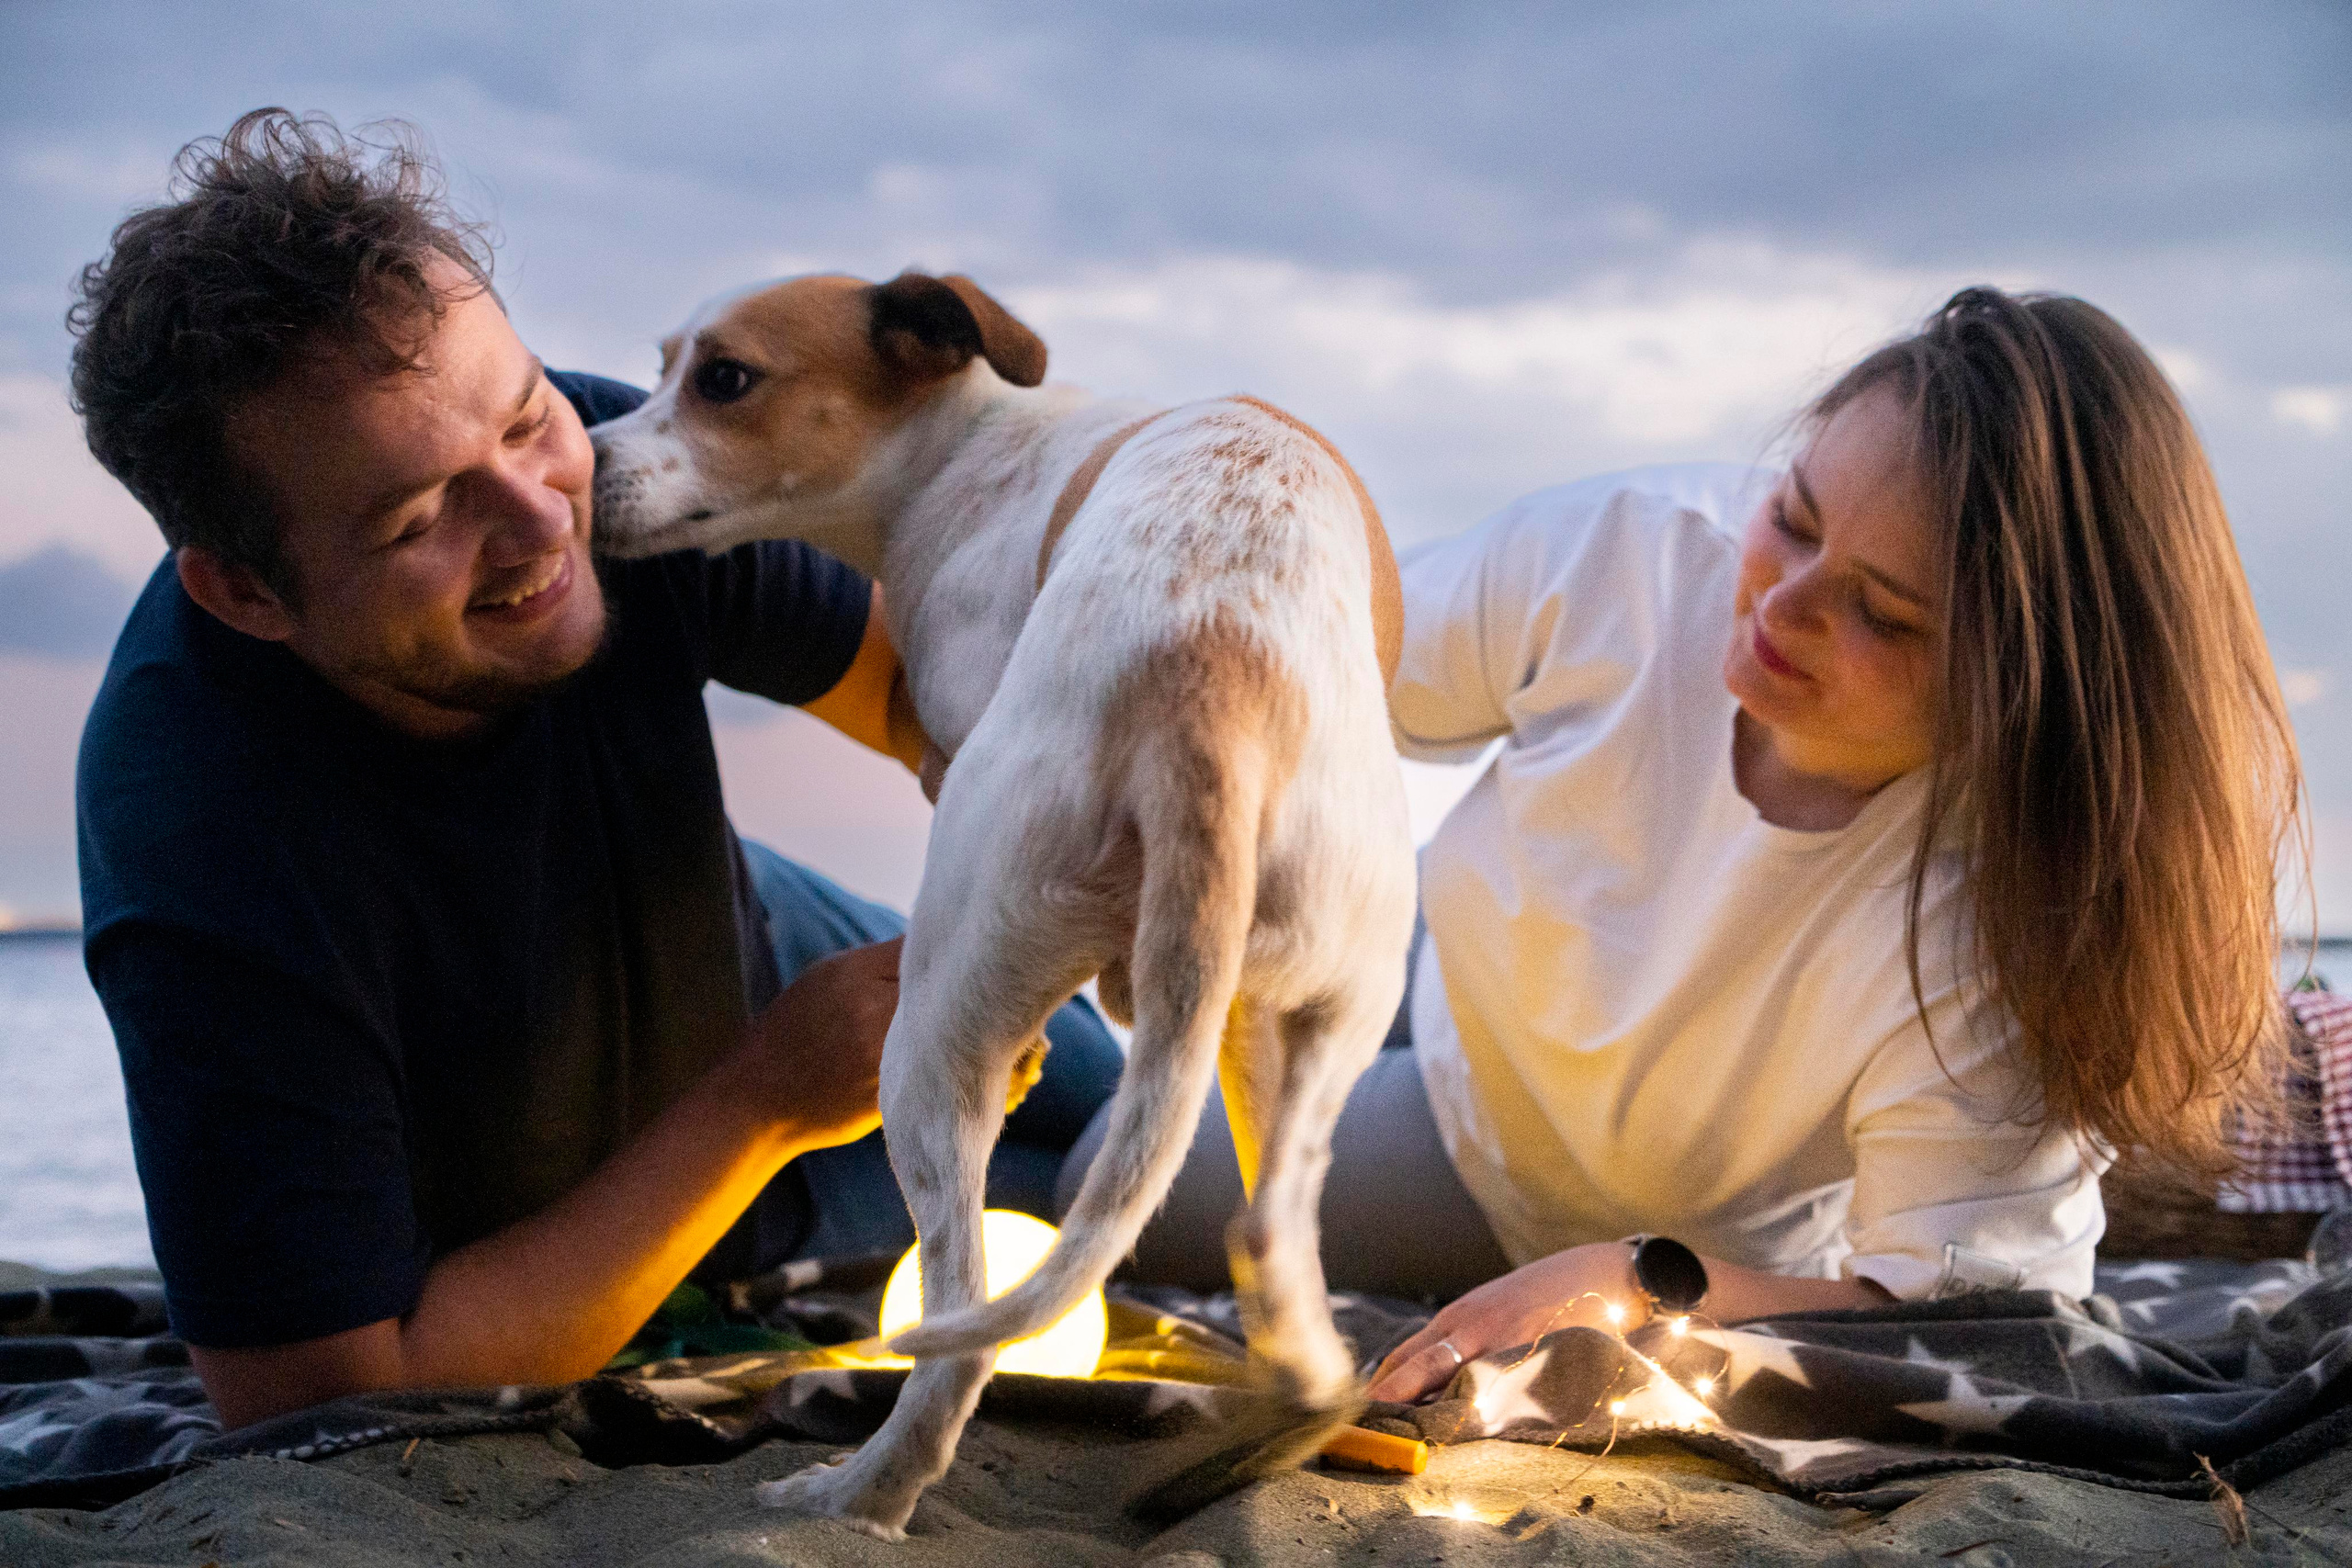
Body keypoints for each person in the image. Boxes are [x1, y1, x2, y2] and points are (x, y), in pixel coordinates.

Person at [67, 109, 1121, 1431]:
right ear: (244, 592)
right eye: (416, 518)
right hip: (665, 1186)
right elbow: (319, 1395)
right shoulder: (203, 841)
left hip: (759, 932)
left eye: (523, 417)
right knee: (1119, 1187)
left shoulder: (613, 475)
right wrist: (765, 1105)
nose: (539, 522)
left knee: (1132, 1071)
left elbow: (931, 695)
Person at [1068, 287, 2305, 1404]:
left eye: (1879, 612)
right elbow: (1340, 661)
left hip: (1539, 1179)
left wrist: (1634, 1282)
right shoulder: (1631, 552)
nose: (1779, 603)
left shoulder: (2009, 930)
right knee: (1084, 1141)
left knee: (1093, 1180)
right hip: (1443, 996)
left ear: (2018, 690)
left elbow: (1971, 1312)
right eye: (1796, 516)